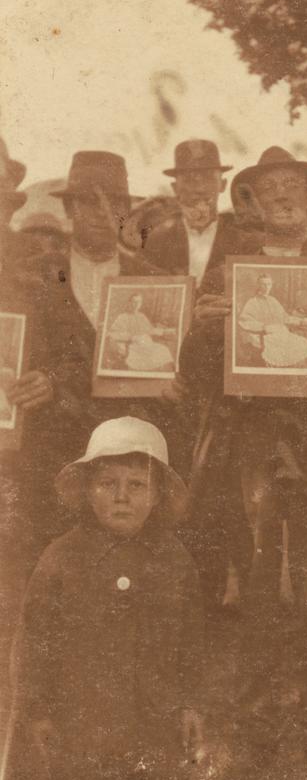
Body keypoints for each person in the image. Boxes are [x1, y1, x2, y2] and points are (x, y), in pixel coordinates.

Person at [179, 145, 307, 780]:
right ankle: (257, 730)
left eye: (297, 187)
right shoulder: (228, 274)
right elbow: (194, 376)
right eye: (270, 188)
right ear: (252, 203)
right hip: (252, 452)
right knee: (260, 580)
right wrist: (205, 329)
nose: (285, 196)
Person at [9, 417, 204, 780]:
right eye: (107, 484)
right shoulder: (62, 557)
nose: (121, 497)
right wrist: (38, 710)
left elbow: (192, 640)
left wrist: (192, 704)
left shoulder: (174, 560)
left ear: (158, 495)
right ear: (86, 492)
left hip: (151, 718)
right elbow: (33, 641)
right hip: (79, 719)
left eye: (136, 485)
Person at [19, 150, 175, 555]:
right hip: (54, 444)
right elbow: (14, 347)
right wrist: (37, 378)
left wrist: (173, 380)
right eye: (88, 201)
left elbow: (169, 361)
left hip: (124, 449)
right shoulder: (32, 274)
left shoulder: (153, 281)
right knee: (54, 559)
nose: (102, 213)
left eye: (114, 203)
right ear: (70, 209)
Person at [139, 139, 239, 287]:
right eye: (189, 180)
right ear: (175, 188)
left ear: (223, 185)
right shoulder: (155, 241)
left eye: (208, 179)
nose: (199, 189)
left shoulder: (242, 239)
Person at [237, 273, 307, 367]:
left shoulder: (273, 300)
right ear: (258, 285)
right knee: (277, 350)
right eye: (263, 284)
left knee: (303, 342)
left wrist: (301, 321)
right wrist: (264, 327)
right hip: (265, 335)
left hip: (280, 333)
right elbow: (244, 321)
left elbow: (285, 318)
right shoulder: (252, 302)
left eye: (269, 284)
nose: (266, 287)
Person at [107, 292, 176, 372]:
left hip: (147, 343)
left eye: (138, 302)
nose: (136, 304)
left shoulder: (142, 316)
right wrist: (130, 337)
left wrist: (165, 331)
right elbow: (114, 333)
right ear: (129, 303)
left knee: (164, 350)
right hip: (133, 345)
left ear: (141, 304)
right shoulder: (122, 317)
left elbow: (150, 330)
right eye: (134, 301)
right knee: (137, 359)